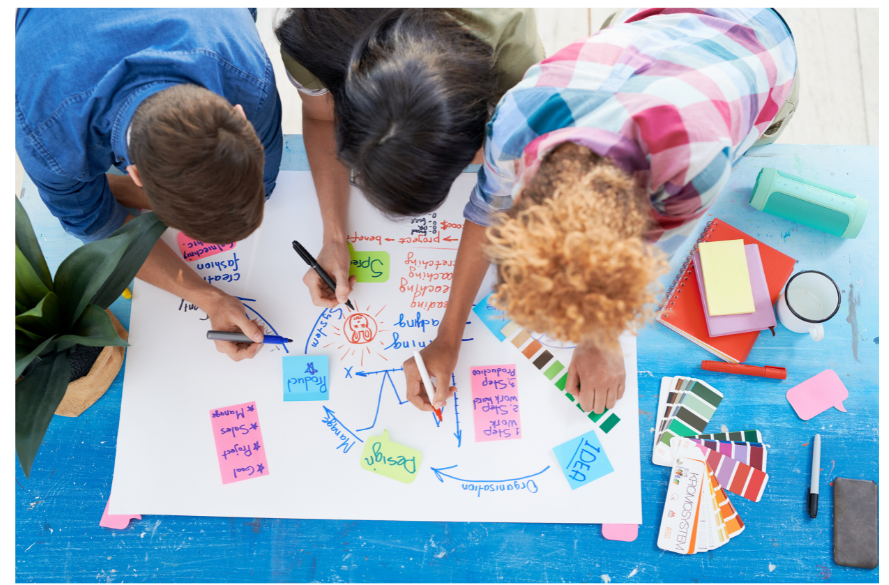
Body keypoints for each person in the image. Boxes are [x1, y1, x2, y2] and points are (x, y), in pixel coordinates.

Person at [402, 7, 800, 414]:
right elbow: (487, 213)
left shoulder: (693, 174)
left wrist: (602, 342)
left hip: (759, 55)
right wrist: (447, 338)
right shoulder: (516, 117)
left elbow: (643, 266)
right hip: (657, 26)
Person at [15, 7, 283, 362]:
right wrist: (207, 297)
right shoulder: (46, 136)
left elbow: (260, 183)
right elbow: (100, 226)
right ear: (135, 175)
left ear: (239, 116)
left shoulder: (248, 72)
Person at [274, 7, 544, 308]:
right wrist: (334, 237)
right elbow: (322, 119)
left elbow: (517, 146)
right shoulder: (312, 39)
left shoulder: (504, 30)